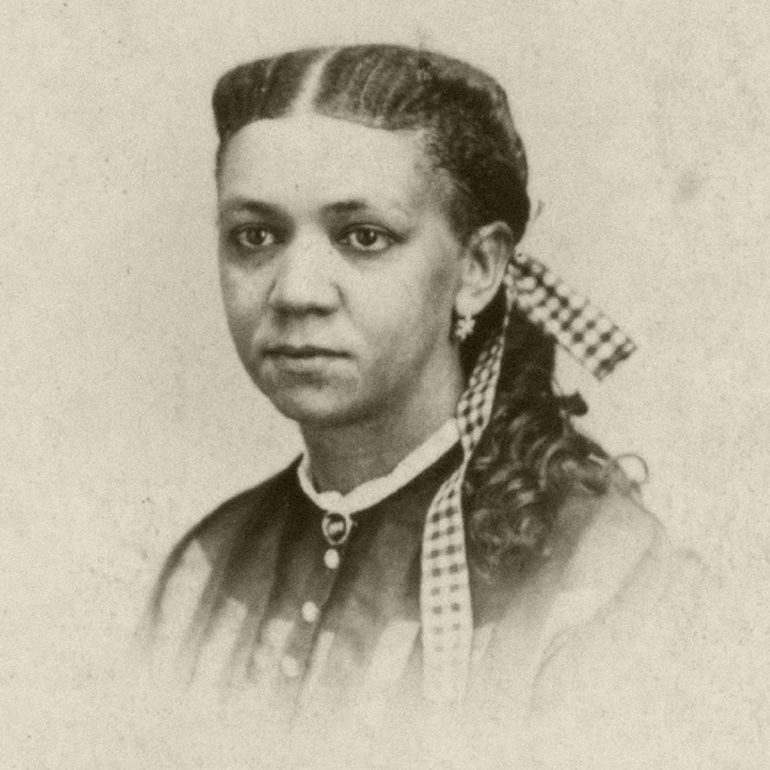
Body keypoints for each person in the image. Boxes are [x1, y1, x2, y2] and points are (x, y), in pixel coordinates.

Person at [141, 44, 736, 769]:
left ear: (478, 268)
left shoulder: (605, 577)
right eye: (255, 237)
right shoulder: (202, 569)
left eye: (363, 237)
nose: (296, 291)